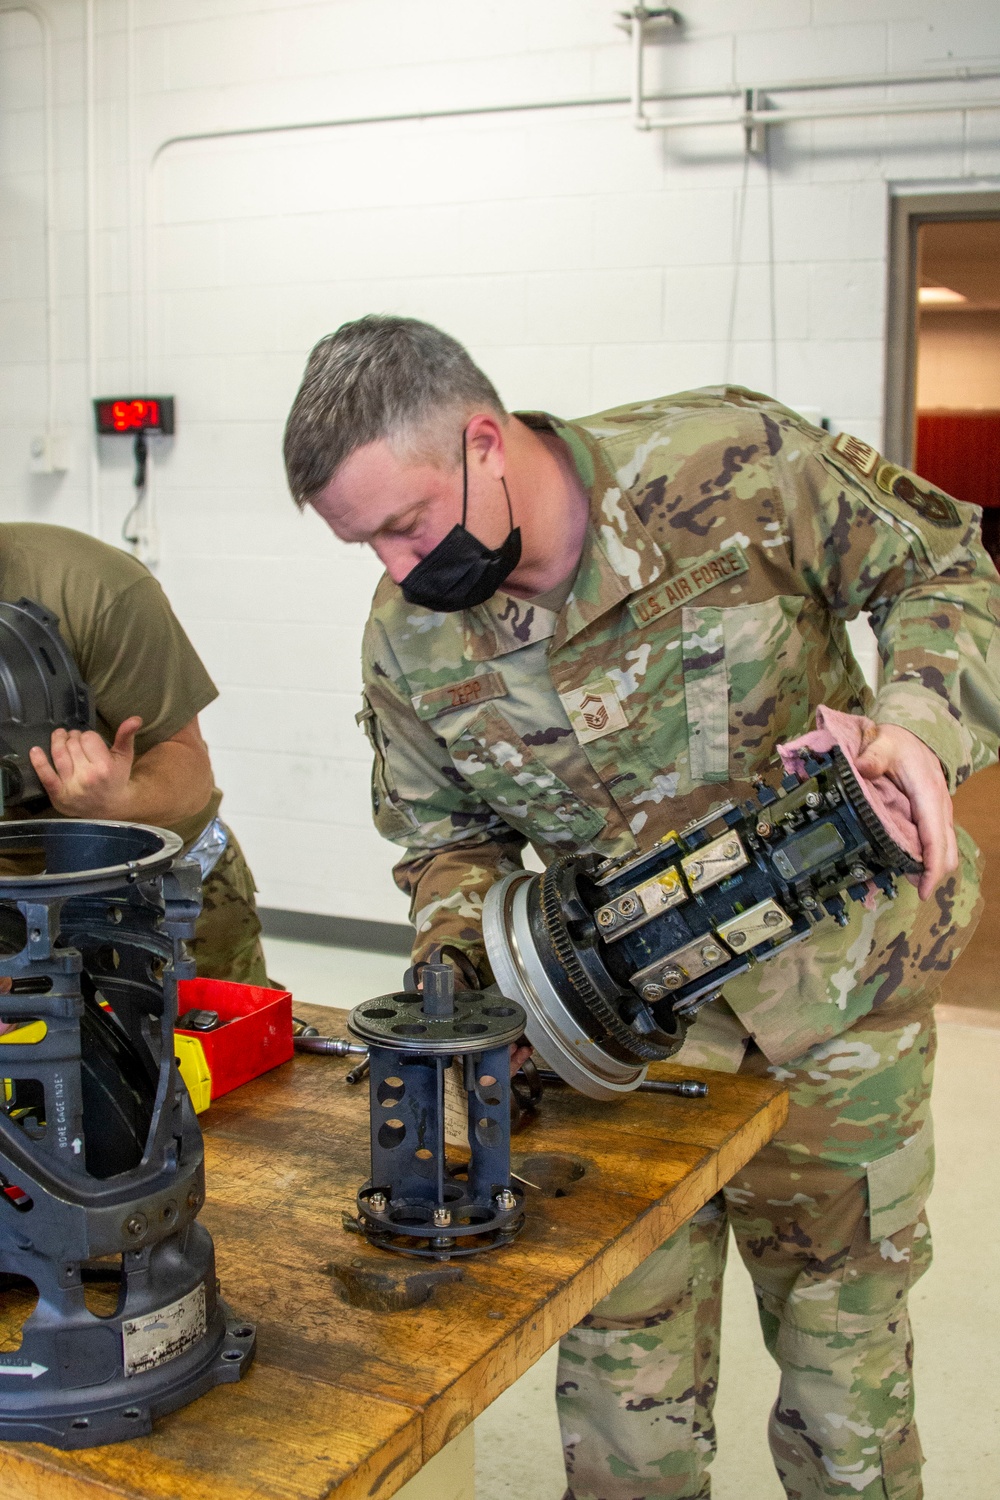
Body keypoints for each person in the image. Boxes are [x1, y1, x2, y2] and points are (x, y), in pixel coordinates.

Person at [283, 315, 1000, 1500]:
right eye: (366, 546)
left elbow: (947, 567)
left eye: (406, 524)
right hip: (615, 1059)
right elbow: (446, 839)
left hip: (836, 1021)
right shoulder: (408, 641)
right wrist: (466, 981)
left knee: (847, 1406)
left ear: (482, 441)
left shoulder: (733, 464)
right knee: (624, 1427)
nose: (401, 570)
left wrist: (915, 725)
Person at [0, 522, 270, 988]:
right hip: (12, 895)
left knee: (201, 1051)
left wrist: (115, 802)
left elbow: (187, 765)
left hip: (152, 893)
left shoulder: (98, 588)